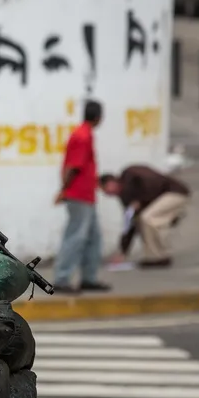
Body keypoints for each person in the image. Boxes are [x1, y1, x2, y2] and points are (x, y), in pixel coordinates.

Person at [52, 100, 111, 294]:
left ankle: (88, 278)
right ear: (98, 117)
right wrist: (63, 190)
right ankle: (62, 278)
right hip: (78, 195)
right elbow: (73, 167)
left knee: (93, 237)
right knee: (76, 236)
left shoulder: (85, 134)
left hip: (86, 195)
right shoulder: (82, 136)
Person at [99, 166, 190, 269]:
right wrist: (123, 252)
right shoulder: (126, 199)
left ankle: (159, 256)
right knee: (142, 222)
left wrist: (140, 200)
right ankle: (156, 256)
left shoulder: (130, 174)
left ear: (111, 183)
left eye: (105, 189)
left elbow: (151, 180)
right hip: (161, 198)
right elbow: (130, 224)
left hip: (174, 192)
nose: (106, 194)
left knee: (147, 218)